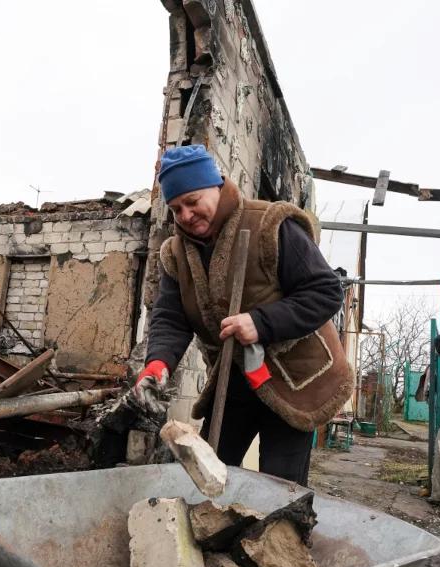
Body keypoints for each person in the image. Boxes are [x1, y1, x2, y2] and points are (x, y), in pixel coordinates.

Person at [134, 145, 353, 485]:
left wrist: (261, 322)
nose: (187, 215)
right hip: (235, 378)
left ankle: (281, 536)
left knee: (280, 489)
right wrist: (158, 363)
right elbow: (170, 318)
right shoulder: (176, 255)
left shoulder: (269, 224)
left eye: (193, 201)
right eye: (177, 209)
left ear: (217, 187)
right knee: (211, 476)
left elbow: (325, 291)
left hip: (295, 378)